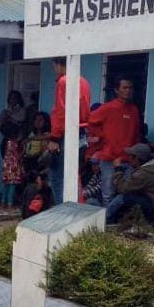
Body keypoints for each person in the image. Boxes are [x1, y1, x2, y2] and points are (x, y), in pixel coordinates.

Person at [86, 74, 140, 206]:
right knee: (108, 194)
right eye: (125, 87)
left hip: (128, 159)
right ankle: (107, 223)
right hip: (110, 158)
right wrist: (103, 136)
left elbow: (136, 134)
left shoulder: (134, 110)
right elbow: (89, 121)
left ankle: (119, 222)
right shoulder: (108, 107)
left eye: (130, 88)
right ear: (117, 90)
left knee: (126, 194)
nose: (128, 90)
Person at [47, 57, 92, 204]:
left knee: (58, 176)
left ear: (57, 65)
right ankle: (75, 210)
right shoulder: (83, 81)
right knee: (74, 176)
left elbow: (61, 111)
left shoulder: (63, 81)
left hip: (66, 133)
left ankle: (62, 212)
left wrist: (54, 138)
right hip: (81, 132)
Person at [106, 143, 154, 225]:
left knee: (123, 197)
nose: (129, 159)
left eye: (131, 156)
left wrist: (118, 169)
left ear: (137, 158)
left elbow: (122, 189)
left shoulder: (143, 174)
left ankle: (105, 219)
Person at [1, 122, 24, 209]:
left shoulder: (5, 142)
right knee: (12, 186)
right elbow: (17, 157)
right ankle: (10, 204)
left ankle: (3, 203)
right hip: (13, 168)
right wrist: (23, 150)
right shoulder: (13, 143)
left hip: (6, 167)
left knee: (6, 185)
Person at [0, 90, 27, 158]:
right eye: (11, 98)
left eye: (15, 98)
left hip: (17, 139)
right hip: (6, 139)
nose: (13, 100)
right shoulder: (5, 111)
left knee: (16, 160)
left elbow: (21, 118)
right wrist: (3, 118)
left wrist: (10, 116)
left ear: (19, 99)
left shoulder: (22, 110)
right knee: (5, 160)